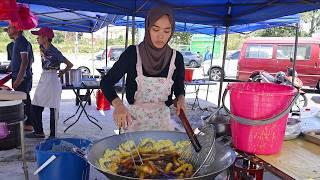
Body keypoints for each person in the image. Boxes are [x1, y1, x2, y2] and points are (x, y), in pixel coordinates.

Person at [101, 6, 186, 131]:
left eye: (166, 31)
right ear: (148, 28)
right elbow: (106, 82)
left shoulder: (176, 58)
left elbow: (179, 87)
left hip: (163, 124)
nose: (161, 36)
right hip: (135, 124)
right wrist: (118, 105)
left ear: (172, 31)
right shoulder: (132, 54)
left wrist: (181, 98)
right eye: (155, 29)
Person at [25, 27, 73, 138]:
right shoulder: (41, 47)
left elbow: (70, 64)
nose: (37, 38)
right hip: (44, 77)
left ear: (45, 38)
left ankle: (53, 136)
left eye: (39, 36)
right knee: (35, 105)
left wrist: (61, 73)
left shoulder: (55, 52)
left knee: (53, 108)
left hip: (52, 79)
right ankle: (39, 131)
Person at [5, 25, 34, 131]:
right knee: (23, 100)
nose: (7, 30)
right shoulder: (17, 41)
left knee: (24, 101)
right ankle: (27, 124)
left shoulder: (21, 41)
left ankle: (28, 124)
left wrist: (19, 78)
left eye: (9, 28)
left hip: (22, 77)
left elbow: (25, 61)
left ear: (17, 29)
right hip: (19, 75)